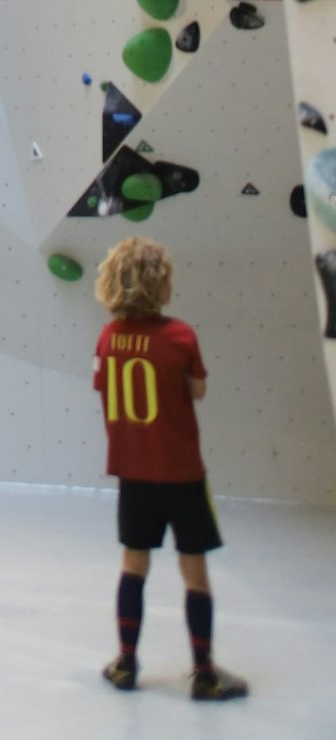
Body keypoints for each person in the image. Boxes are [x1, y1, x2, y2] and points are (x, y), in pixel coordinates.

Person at [92, 238, 248, 701]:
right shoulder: (179, 336)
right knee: (193, 570)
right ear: (157, 283)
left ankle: (125, 662)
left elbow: (101, 384)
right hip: (180, 473)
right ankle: (203, 671)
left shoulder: (108, 337)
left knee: (133, 565)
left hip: (133, 473)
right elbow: (196, 391)